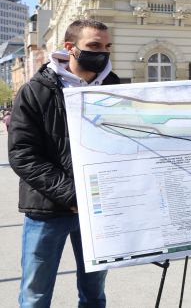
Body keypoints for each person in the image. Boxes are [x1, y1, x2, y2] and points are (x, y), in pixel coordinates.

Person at [9, 19, 120, 307]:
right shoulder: (35, 90)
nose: (103, 53)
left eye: (107, 47)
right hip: (46, 209)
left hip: (96, 211)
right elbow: (22, 154)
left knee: (94, 293)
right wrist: (72, 195)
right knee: (35, 295)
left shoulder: (112, 86)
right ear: (70, 48)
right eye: (94, 46)